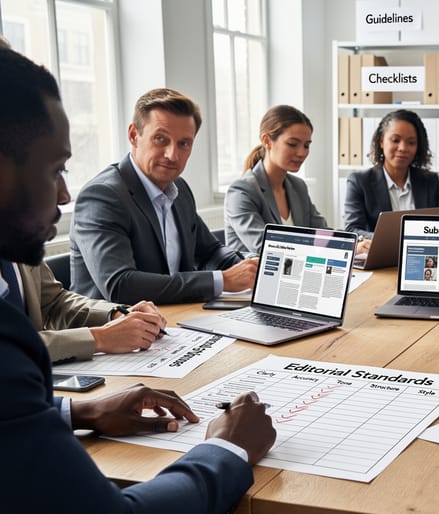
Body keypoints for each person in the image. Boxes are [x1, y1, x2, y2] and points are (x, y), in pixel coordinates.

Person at [0, 46, 275, 513]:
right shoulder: (103, 196)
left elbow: (52, 299)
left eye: (184, 143)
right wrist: (227, 449)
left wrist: (79, 411)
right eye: (55, 170)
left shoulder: (14, 250)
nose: (66, 194)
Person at [70, 88, 260, 305]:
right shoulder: (103, 196)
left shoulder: (179, 189)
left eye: (184, 144)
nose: (172, 155)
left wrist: (251, 268)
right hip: (115, 329)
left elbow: (211, 252)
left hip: (175, 321)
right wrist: (221, 281)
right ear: (134, 135)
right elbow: (120, 285)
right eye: (161, 139)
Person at [224, 105, 330, 256]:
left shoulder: (298, 186)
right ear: (267, 141)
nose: (302, 153)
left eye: (306, 145)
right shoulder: (242, 191)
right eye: (292, 144)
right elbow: (266, 247)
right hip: (258, 277)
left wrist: (354, 245)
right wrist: (323, 248)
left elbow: (322, 232)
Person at [11, 260, 167, 362]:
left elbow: (54, 302)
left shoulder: (17, 229)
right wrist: (99, 338)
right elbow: (7, 347)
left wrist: (115, 315)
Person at [343, 109, 439, 238]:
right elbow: (352, 229)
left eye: (411, 143)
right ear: (382, 141)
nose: (403, 148)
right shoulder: (359, 181)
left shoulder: (430, 181)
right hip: (381, 255)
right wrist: (394, 241)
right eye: (395, 140)